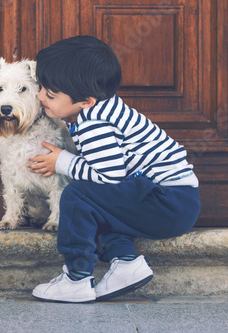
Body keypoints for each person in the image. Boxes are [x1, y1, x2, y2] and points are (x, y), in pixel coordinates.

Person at [28, 35, 201, 303]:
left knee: (77, 195)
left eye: (50, 94)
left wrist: (62, 161)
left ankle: (76, 278)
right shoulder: (103, 107)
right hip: (173, 200)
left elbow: (108, 176)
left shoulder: (94, 123)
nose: (40, 97)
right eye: (41, 88)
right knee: (101, 203)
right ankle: (125, 264)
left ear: (86, 100)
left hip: (167, 201)